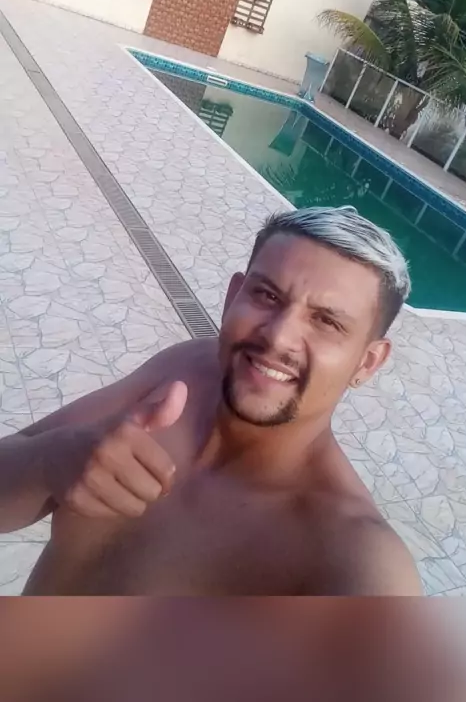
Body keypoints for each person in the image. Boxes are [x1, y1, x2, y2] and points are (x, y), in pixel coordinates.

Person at [0, 206, 422, 595]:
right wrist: (48, 462)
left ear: (368, 362)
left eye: (326, 321)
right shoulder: (188, 370)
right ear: (233, 296)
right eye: (267, 296)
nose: (278, 337)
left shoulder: (356, 558)